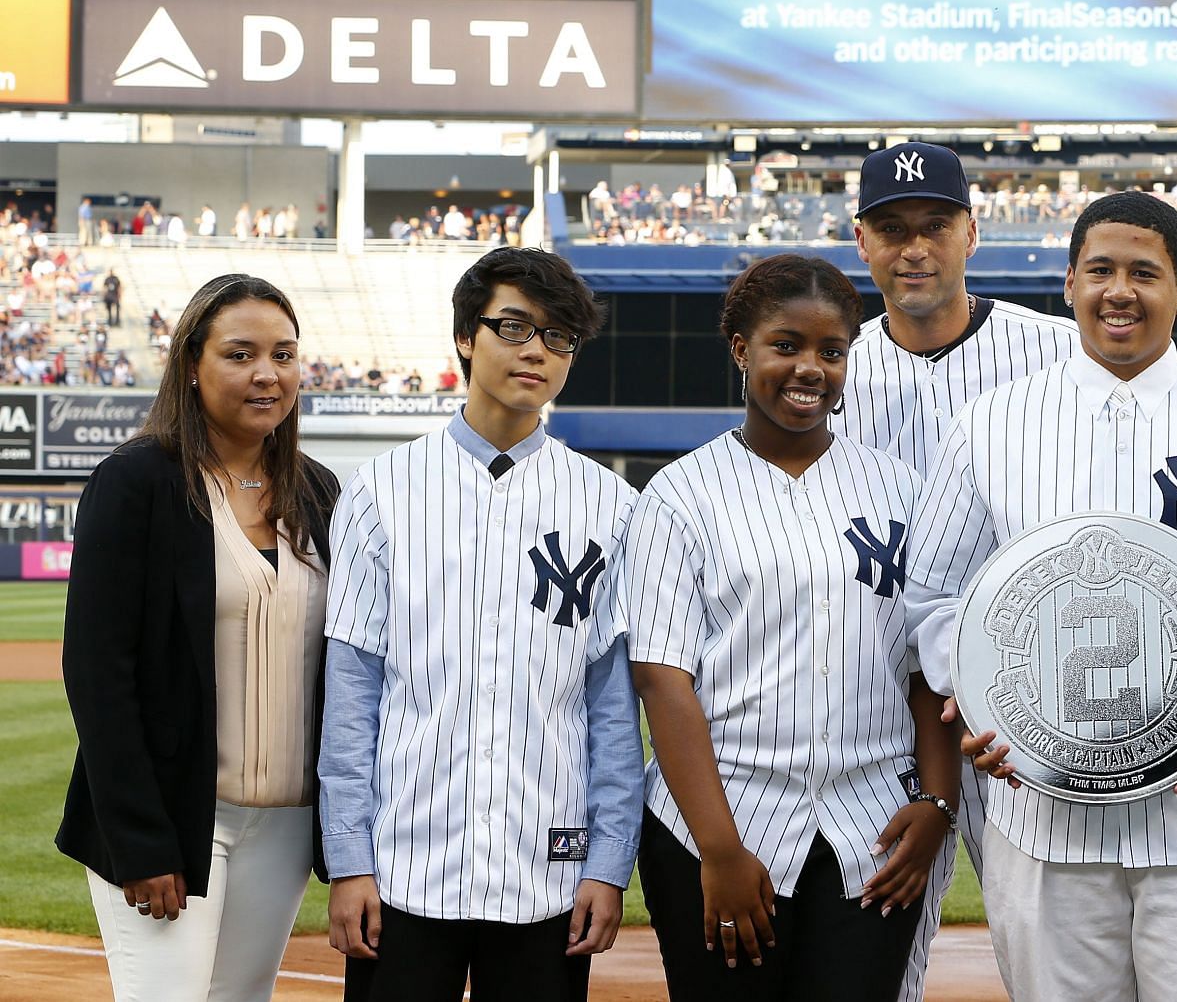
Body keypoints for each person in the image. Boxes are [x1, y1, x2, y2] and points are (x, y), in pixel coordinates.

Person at [832, 142, 1177, 1002]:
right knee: (875, 959)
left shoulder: (1057, 346)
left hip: (1035, 709)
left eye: (935, 225)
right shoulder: (829, 364)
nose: (915, 246)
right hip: (872, 702)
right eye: (892, 228)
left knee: (1048, 947)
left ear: (971, 233)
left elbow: (1153, 389)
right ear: (861, 241)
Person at [904, 191, 1177, 1002]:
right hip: (1042, 820)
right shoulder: (990, 424)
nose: (1120, 290)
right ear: (1068, 283)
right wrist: (979, 693)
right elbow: (933, 593)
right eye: (1100, 269)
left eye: (1145, 272)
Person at [626, 253, 955, 1000]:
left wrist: (939, 803)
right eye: (786, 345)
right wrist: (719, 850)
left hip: (872, 832)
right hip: (719, 824)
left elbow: (925, 664)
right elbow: (662, 680)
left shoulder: (900, 489)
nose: (810, 367)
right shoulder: (680, 494)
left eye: (831, 351)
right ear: (742, 348)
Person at [320, 247, 643, 1002]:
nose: (537, 350)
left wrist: (606, 863)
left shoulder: (613, 505)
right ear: (468, 336)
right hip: (403, 866)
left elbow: (610, 706)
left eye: (560, 336)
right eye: (515, 326)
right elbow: (352, 694)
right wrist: (348, 858)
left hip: (548, 866)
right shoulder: (380, 492)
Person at [57, 274, 341, 1001]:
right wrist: (140, 839)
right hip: (176, 818)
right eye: (241, 353)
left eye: (283, 353)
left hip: (285, 821)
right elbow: (97, 671)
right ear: (192, 362)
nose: (267, 373)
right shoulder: (136, 481)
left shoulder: (320, 492)